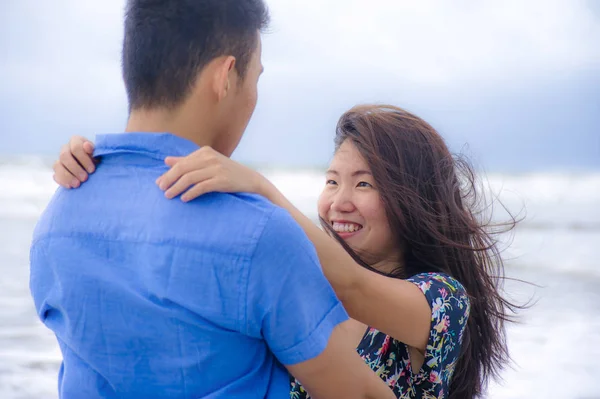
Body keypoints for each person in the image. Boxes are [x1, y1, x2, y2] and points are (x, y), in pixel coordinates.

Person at [30, 1, 396, 399]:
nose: (254, 94)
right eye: (254, 77)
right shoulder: (259, 234)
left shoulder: (56, 219)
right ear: (224, 77)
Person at [55, 105, 519, 398]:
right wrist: (102, 163)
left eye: (363, 183)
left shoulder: (443, 298)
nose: (338, 202)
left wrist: (258, 186)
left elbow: (353, 286)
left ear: (412, 196)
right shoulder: (309, 283)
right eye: (332, 180)